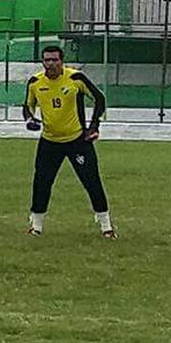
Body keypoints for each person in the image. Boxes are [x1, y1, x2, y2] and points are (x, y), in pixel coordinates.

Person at [22, 45, 115, 238]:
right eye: (47, 60)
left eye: (55, 60)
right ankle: (36, 226)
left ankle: (106, 226)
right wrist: (30, 120)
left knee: (91, 181)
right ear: (43, 62)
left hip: (77, 140)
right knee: (42, 183)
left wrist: (94, 126)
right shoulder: (35, 82)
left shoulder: (76, 78)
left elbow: (99, 98)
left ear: (62, 61)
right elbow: (28, 106)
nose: (51, 64)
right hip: (49, 141)